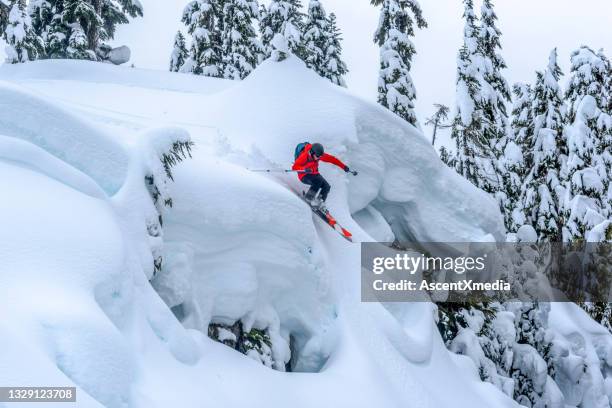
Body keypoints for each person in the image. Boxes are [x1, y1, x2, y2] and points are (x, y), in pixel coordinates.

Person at [292, 142, 357, 210]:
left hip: (314, 174)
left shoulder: (318, 155)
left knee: (327, 186)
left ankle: (319, 202)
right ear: (312, 152)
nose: (318, 158)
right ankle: (309, 198)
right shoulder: (304, 156)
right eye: (317, 156)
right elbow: (294, 167)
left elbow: (332, 159)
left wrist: (343, 167)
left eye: (320, 157)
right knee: (318, 181)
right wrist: (304, 169)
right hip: (304, 175)